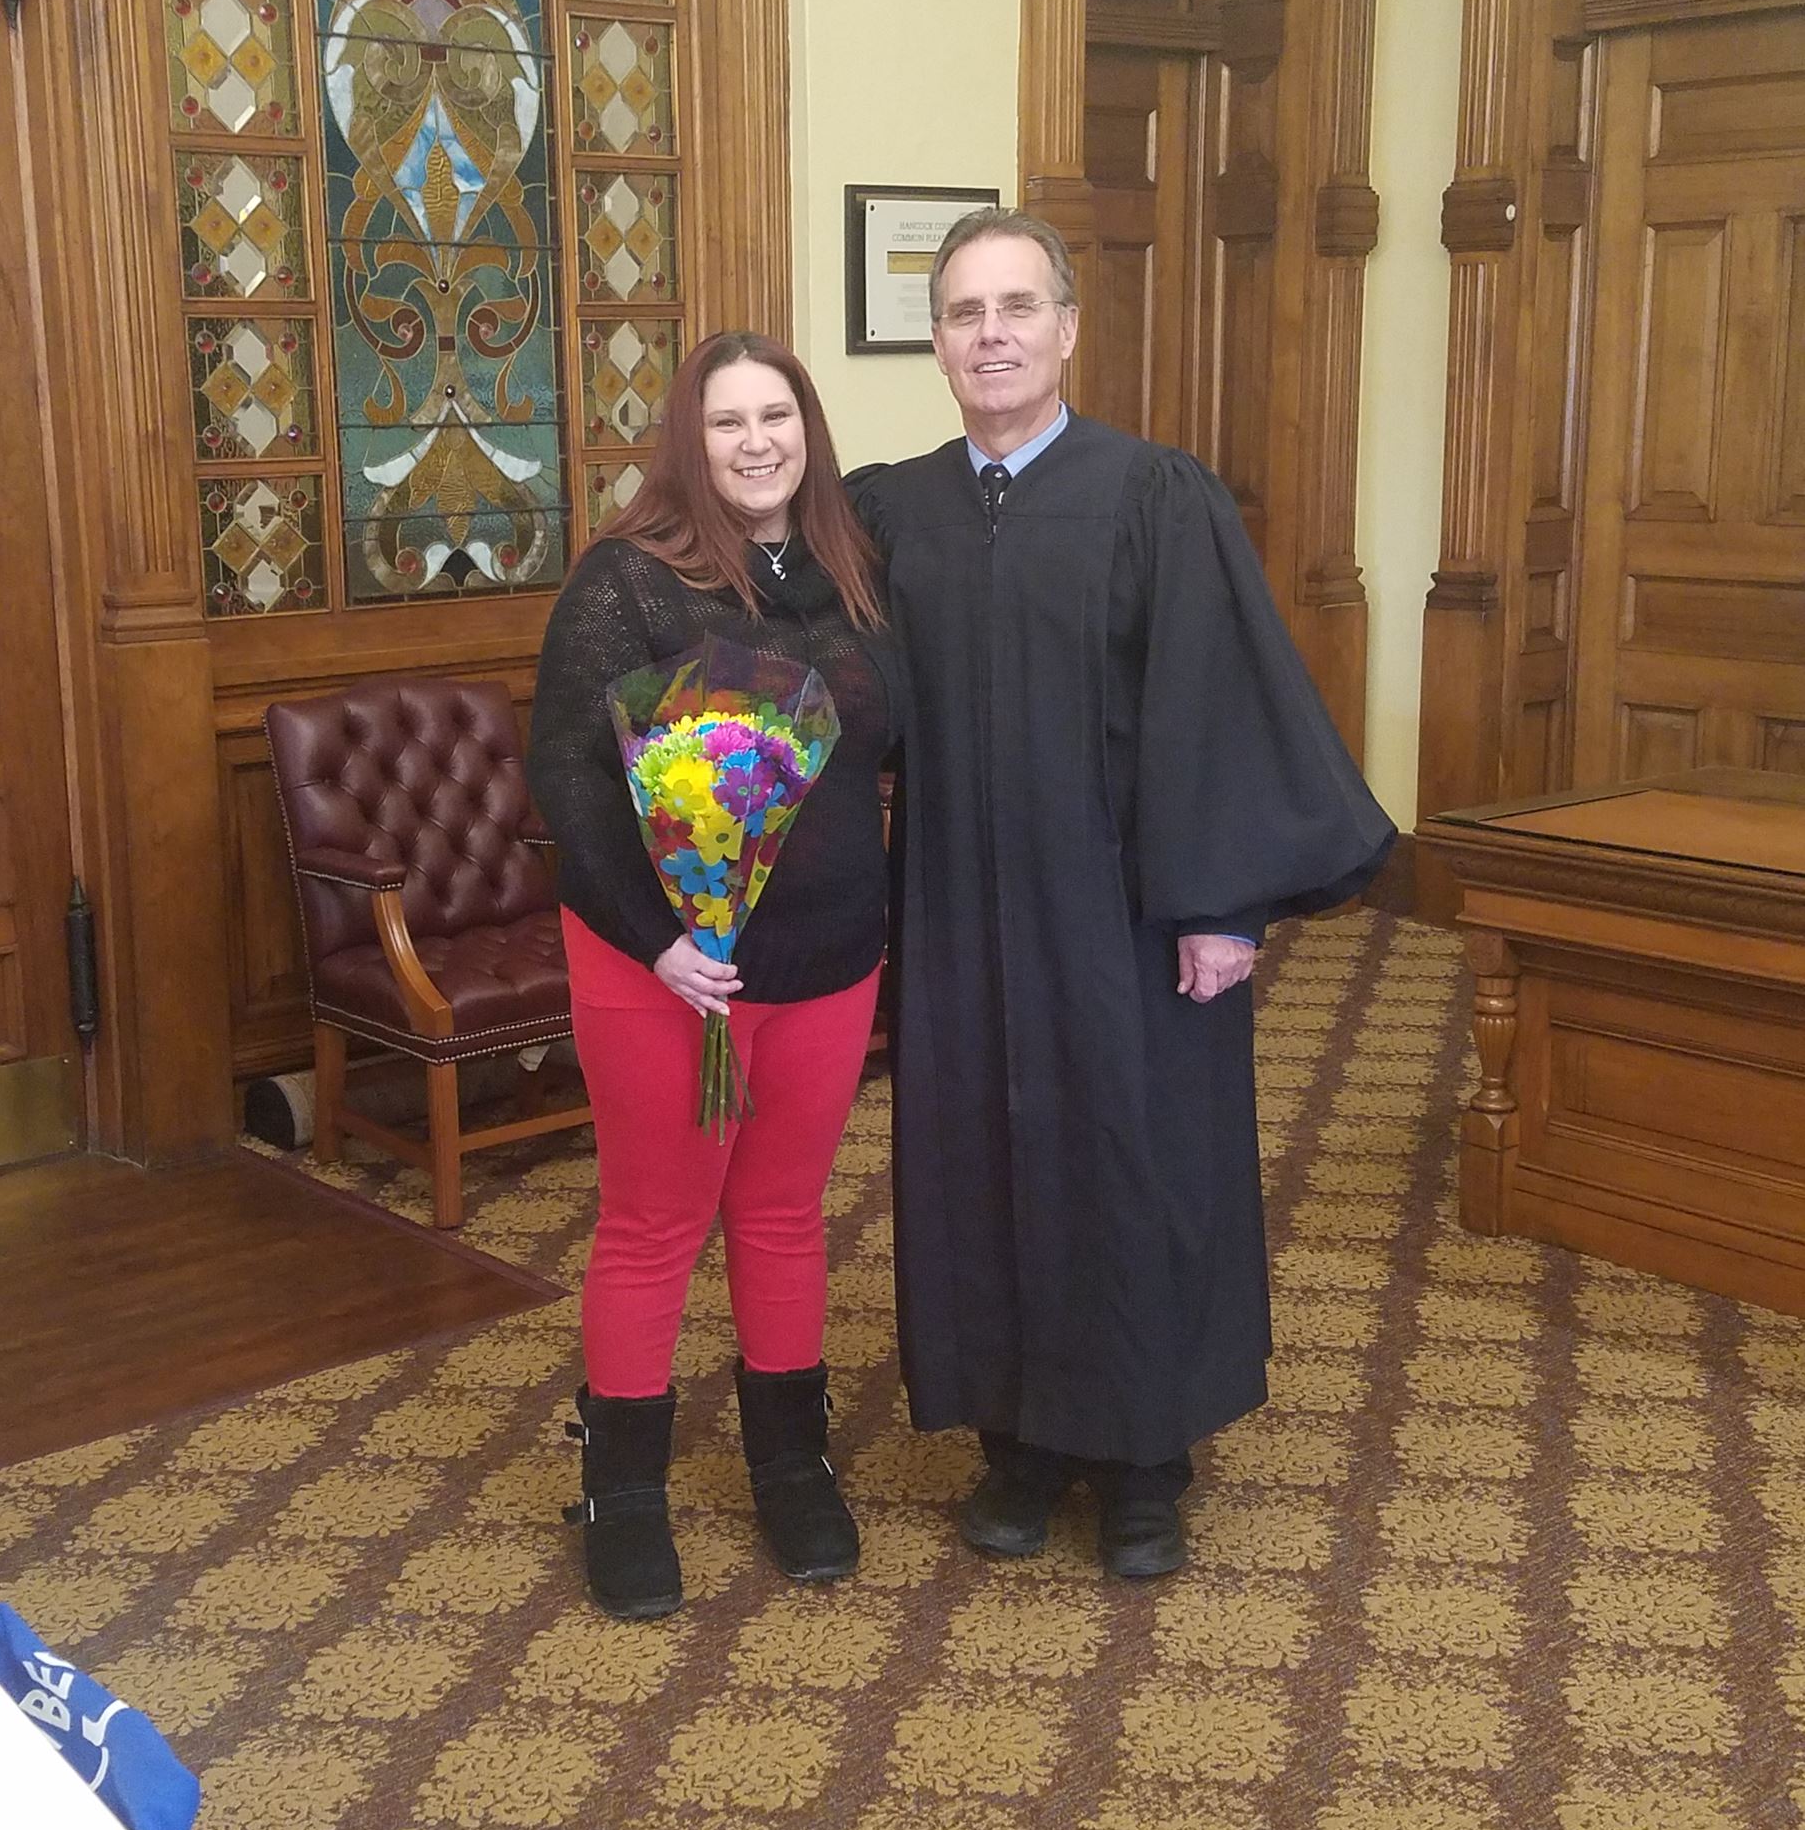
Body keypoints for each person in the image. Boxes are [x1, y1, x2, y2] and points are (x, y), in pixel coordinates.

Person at [850, 208, 1393, 1579]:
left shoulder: (1156, 496)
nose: (990, 335)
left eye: (1015, 308)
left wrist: (1222, 904)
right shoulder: (891, 511)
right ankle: (1017, 1443)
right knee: (983, 1160)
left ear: (1067, 329)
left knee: (1135, 1162)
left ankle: (1147, 1455)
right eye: (964, 314)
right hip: (963, 911)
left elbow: (1215, 701)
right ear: (936, 343)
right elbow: (833, 696)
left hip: (1126, 910)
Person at [529, 332, 897, 1621]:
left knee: (787, 1211)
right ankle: (622, 1491)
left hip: (832, 951)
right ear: (693, 439)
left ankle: (790, 1465)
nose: (756, 443)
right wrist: (660, 940)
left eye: (777, 417)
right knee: (655, 1222)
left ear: (808, 429)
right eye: (729, 422)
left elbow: (881, 747)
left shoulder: (853, 564)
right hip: (669, 964)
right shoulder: (629, 581)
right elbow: (568, 776)